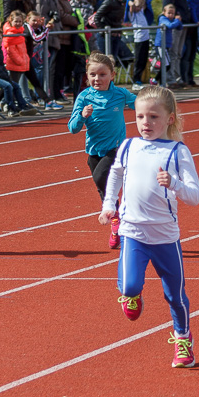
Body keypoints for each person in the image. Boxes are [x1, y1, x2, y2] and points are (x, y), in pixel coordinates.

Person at [98, 85, 199, 368]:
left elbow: (195, 197)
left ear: (169, 118)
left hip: (165, 236)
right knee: (130, 286)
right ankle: (132, 296)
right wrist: (109, 205)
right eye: (141, 116)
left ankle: (183, 339)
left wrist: (175, 183)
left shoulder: (178, 152)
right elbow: (116, 174)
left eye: (154, 117)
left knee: (174, 294)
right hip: (133, 232)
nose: (146, 123)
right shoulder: (129, 146)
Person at [68, 52, 136, 249]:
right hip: (94, 150)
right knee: (103, 188)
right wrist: (82, 115)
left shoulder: (120, 94)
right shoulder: (84, 96)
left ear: (112, 75)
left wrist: (158, 103)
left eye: (102, 74)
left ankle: (118, 215)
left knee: (100, 178)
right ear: (87, 76)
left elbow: (140, 104)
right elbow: (72, 128)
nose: (97, 79)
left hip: (115, 149)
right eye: (93, 75)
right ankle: (116, 221)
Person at [0, 27, 38, 117]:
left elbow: (1, 67)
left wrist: (7, 77)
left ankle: (22, 106)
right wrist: (7, 78)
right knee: (8, 85)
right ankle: (11, 108)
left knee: (16, 86)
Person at [163, 0, 196, 87]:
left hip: (182, 25)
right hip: (174, 26)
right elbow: (166, 5)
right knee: (173, 53)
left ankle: (177, 78)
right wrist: (175, 16)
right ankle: (171, 79)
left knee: (178, 54)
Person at [21, 11, 59, 109]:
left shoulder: (33, 28)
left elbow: (42, 36)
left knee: (35, 82)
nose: (36, 23)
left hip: (25, 59)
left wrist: (45, 27)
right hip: (19, 59)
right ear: (27, 19)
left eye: (38, 21)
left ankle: (48, 102)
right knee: (11, 83)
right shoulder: (26, 27)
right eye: (34, 20)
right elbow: (37, 38)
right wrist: (46, 29)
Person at [127, 0, 151, 91]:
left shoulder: (141, 11)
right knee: (138, 60)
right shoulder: (132, 14)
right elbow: (129, 2)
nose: (139, 8)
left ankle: (140, 80)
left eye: (141, 6)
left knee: (144, 60)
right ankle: (136, 81)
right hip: (139, 39)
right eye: (138, 6)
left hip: (146, 38)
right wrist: (132, 3)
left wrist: (141, 2)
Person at [154, 4, 183, 85]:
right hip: (160, 45)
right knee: (166, 65)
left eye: (173, 14)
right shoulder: (163, 18)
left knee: (167, 65)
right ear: (164, 12)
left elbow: (180, 27)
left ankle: (159, 82)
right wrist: (177, 20)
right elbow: (170, 26)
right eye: (169, 13)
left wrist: (178, 20)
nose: (171, 15)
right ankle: (156, 80)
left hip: (167, 46)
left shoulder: (173, 20)